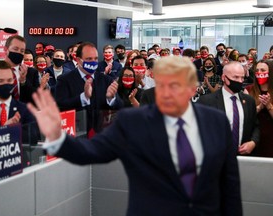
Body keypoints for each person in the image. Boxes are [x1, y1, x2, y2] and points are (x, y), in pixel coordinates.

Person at [28, 56, 242, 216]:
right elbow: (91, 151)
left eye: (175, 86)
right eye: (162, 85)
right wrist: (57, 137)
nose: (166, 93)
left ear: (192, 89)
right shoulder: (133, 122)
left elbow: (229, 183)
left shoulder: (216, 122)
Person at [198, 61, 259, 155]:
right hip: (215, 158)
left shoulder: (249, 101)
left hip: (244, 158)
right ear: (223, 78)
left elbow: (255, 126)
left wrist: (253, 142)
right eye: (235, 77)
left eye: (242, 77)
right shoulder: (206, 102)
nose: (240, 81)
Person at [0, 35, 39, 104]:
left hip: (23, 113)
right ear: (6, 49)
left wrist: (23, 82)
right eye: (15, 49)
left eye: (22, 51)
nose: (19, 52)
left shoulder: (31, 72)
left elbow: (35, 100)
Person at [0, 60, 34, 129]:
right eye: (1, 81)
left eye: (9, 80)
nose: (6, 84)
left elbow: (32, 137)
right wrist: (4, 129)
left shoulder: (24, 110)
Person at [246, 59, 273, 157]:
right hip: (253, 137)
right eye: (257, 70)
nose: (259, 73)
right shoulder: (248, 90)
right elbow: (246, 116)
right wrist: (260, 107)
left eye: (263, 70)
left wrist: (269, 106)